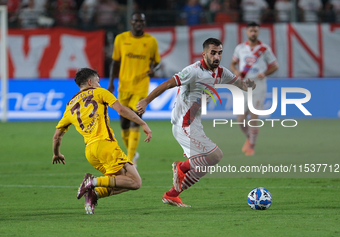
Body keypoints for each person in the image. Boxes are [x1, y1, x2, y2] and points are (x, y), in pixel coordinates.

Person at [137, 38, 256, 207]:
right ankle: (181, 167)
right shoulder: (193, 71)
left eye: (219, 53)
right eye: (213, 53)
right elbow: (168, 84)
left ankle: (172, 194)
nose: (216, 57)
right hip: (183, 124)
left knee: (204, 166)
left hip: (195, 124)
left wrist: (248, 85)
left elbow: (241, 85)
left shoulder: (221, 73)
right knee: (215, 155)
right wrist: (146, 101)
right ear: (204, 54)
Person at [52, 68, 152, 214]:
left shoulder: (70, 106)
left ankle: (94, 194)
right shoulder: (100, 92)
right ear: (90, 81)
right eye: (98, 81)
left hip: (91, 153)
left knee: (124, 182)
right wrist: (142, 123)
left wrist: (57, 154)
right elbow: (122, 110)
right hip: (106, 146)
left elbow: (57, 136)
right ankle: (91, 182)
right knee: (135, 182)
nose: (99, 84)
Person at [108, 12, 160, 168]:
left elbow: (156, 62)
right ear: (131, 22)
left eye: (141, 21)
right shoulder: (121, 39)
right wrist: (111, 82)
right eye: (136, 20)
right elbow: (115, 62)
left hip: (141, 86)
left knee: (136, 119)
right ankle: (132, 153)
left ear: (144, 23)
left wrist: (152, 69)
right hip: (124, 86)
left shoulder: (151, 41)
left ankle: (129, 159)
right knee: (124, 122)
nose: (139, 23)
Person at [230, 22, 278, 156]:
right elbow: (233, 64)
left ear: (258, 32)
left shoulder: (264, 48)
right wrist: (236, 71)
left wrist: (265, 73)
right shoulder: (240, 48)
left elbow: (275, 66)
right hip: (243, 84)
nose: (253, 33)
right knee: (240, 119)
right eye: (251, 31)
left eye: (255, 31)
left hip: (258, 84)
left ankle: (252, 145)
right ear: (246, 32)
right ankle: (249, 138)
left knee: (253, 117)